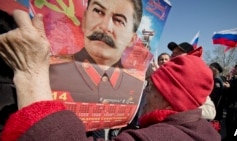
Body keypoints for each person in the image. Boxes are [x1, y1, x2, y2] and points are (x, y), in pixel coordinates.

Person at [0, 10, 221, 139]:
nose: (146, 93)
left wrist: (31, 72)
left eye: (152, 87)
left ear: (169, 98)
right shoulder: (203, 131)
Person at [49, 0, 143, 139]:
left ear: (132, 39)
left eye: (119, 20)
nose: (105, 27)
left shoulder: (134, 86)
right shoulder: (49, 71)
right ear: (85, 18)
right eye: (98, 12)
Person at [167, 42, 216, 120]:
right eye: (173, 52)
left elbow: (210, 112)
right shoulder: (165, 72)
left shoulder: (195, 77)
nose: (173, 55)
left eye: (178, 53)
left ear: (189, 55)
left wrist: (179, 107)